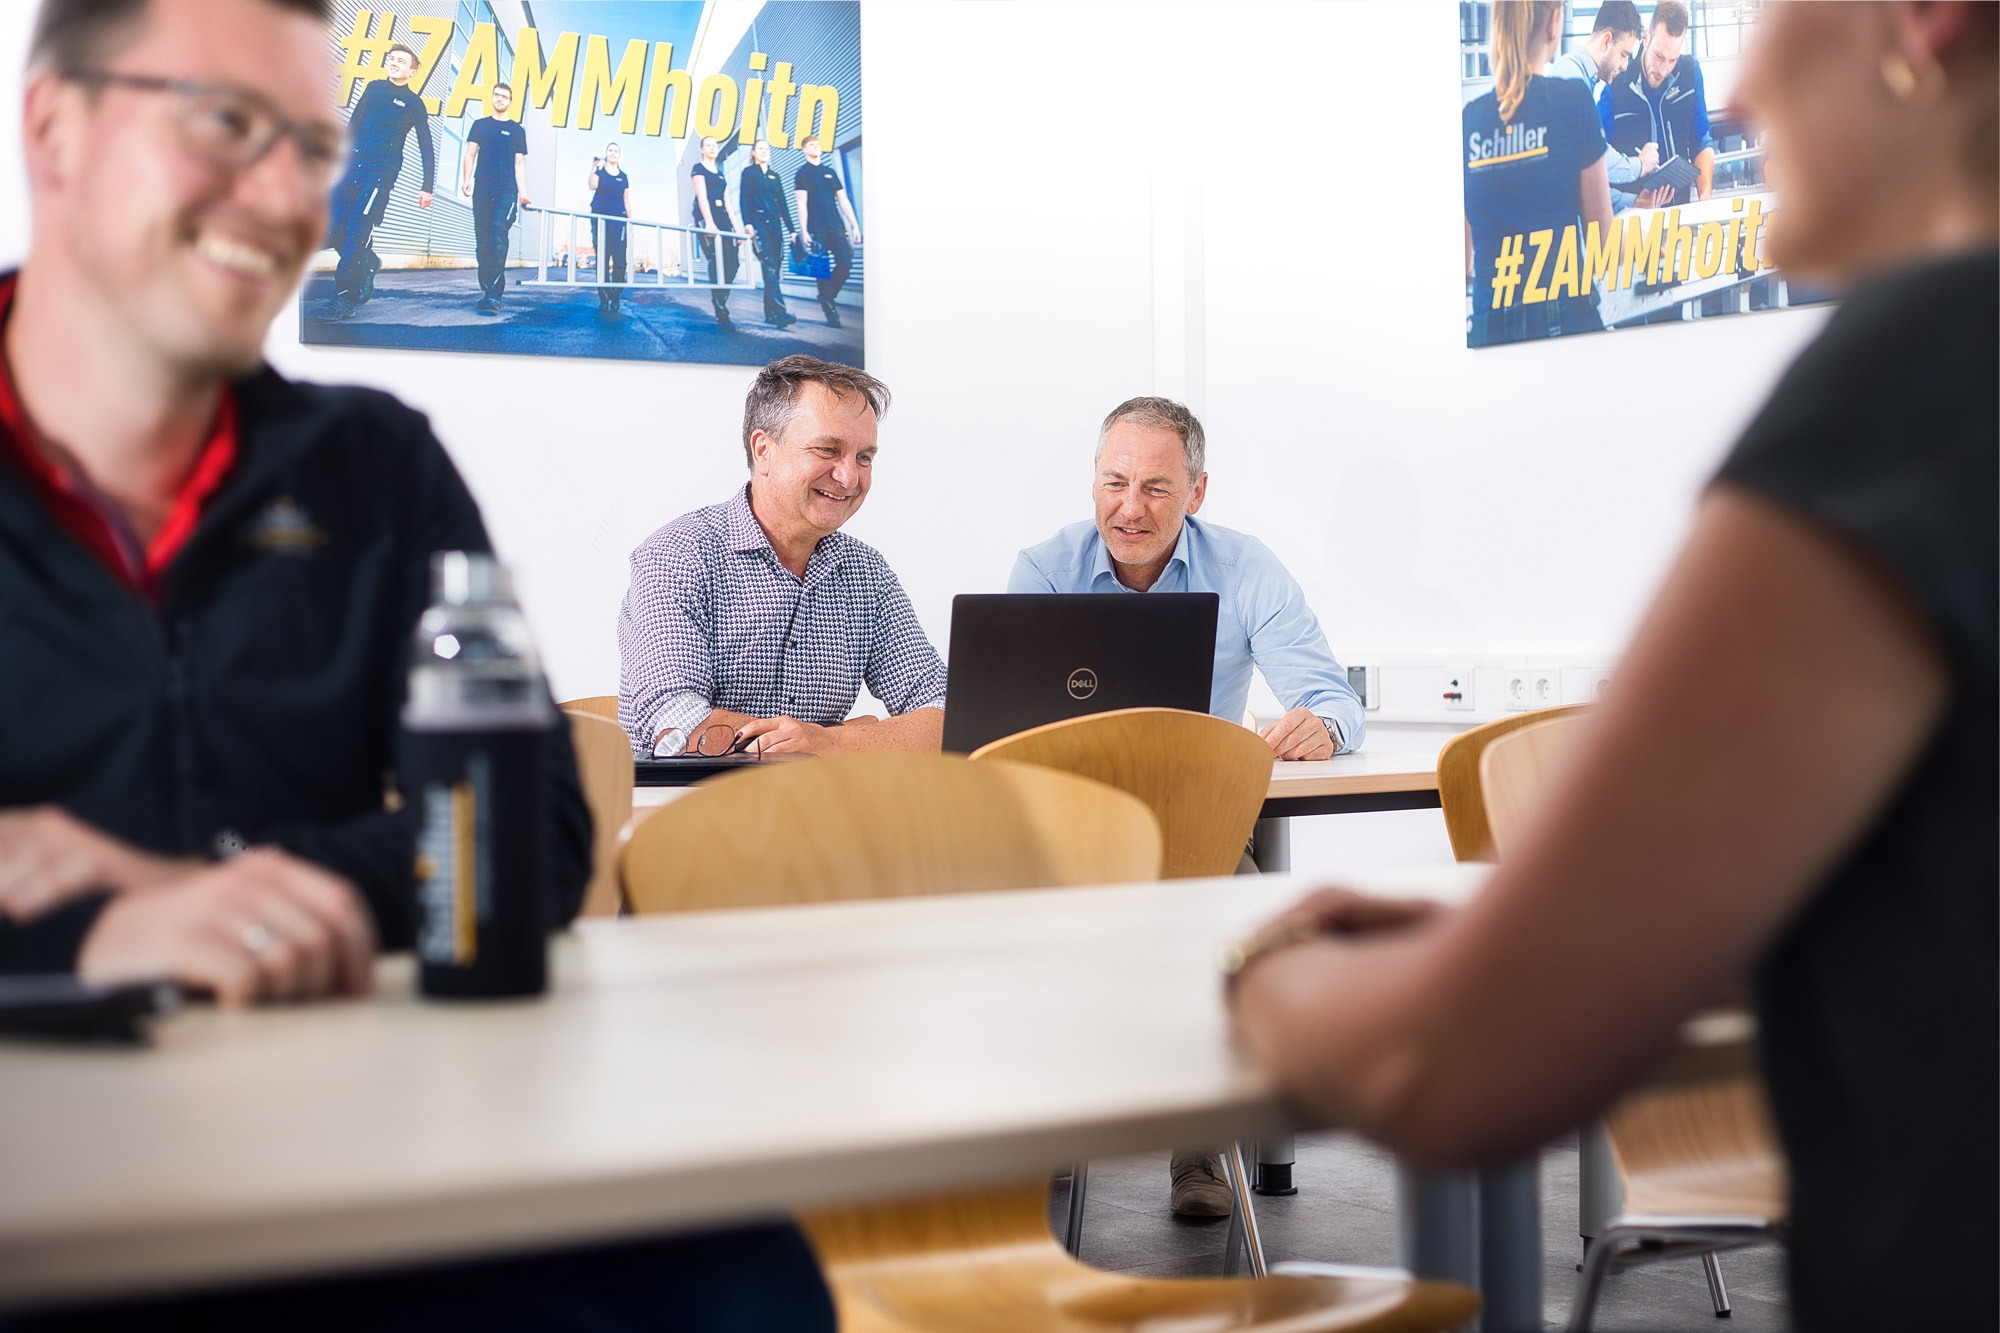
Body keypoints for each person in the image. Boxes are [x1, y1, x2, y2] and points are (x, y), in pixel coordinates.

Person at [0, 0, 835, 1327]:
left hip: (342, 1139)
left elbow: (535, 830)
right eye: (226, 123)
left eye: (320, 147)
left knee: (748, 1280)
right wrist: (86, 934)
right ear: (55, 122)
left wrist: (217, 893)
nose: (289, 197)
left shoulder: (375, 466)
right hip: (37, 1160)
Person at [1230, 3, 1996, 1328]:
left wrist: (1267, 969)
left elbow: (1450, 1065)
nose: (1739, 94)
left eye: (1770, 21)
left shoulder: (1926, 376)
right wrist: (1547, 934)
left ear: (1922, 23)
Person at [1007, 395, 1364, 1218]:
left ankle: (1201, 1150)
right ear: (1093, 483)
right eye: (1115, 482)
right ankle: (1042, 1125)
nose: (1130, 508)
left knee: (1241, 919)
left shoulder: (1244, 568)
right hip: (1071, 829)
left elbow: (1330, 697)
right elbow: (1010, 722)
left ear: (1198, 491)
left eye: (1157, 489)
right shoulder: (1045, 569)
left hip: (1197, 831)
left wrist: (1322, 723)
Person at [618, 356, 945, 758]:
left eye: (864, 457)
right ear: (763, 450)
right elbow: (680, 728)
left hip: (815, 812)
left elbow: (946, 715)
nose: (850, 477)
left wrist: (833, 740)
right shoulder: (676, 556)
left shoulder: (867, 574)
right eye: (828, 449)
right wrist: (846, 738)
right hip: (686, 810)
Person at [1462, 0, 1615, 346]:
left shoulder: (1469, 120)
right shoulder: (1574, 100)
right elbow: (1601, 243)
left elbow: (1464, 261)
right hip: (1563, 321)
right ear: (1553, 24)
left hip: (1490, 329)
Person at [321, 41, 433, 320]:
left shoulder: (414, 104)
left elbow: (425, 145)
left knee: (357, 230)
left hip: (379, 174)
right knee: (333, 227)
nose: (394, 63)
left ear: (413, 71)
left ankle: (345, 297)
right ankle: (368, 261)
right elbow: (354, 124)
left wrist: (427, 186)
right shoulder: (373, 88)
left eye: (401, 61)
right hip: (352, 167)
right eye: (392, 58)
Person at [1600, 0, 1716, 209]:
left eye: (1672, 60)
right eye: (1659, 56)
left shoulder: (1690, 73)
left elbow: (1701, 142)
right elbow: (1598, 160)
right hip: (1632, 219)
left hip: (1678, 217)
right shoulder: (1614, 85)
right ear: (1646, 38)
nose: (1663, 69)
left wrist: (1705, 198)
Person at [1544, 0, 1659, 202]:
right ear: (1606, 41)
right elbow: (1595, 155)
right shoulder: (1569, 74)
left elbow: (1585, 182)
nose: (1625, 66)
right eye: (1624, 54)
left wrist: (1633, 202)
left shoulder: (1585, 82)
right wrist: (1639, 165)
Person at [459, 79, 530, 316]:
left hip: (506, 189)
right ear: (492, 98)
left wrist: (523, 193)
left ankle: (495, 293)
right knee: (483, 240)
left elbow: (519, 165)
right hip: (483, 187)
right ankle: (487, 287)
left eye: (504, 96)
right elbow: (470, 154)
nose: (500, 99)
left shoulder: (517, 131)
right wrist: (467, 179)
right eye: (496, 95)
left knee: (499, 231)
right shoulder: (480, 125)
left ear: (510, 102)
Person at [791, 135, 860, 327]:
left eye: (818, 144)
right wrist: (804, 230)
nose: (816, 147)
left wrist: (855, 225)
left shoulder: (830, 172)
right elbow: (801, 203)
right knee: (822, 270)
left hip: (836, 225)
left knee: (845, 262)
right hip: (816, 227)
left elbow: (843, 200)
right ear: (805, 149)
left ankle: (827, 296)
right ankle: (830, 312)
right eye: (812, 145)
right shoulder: (802, 173)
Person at [739, 137, 798, 329]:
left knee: (773, 269)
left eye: (766, 148)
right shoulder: (748, 173)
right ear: (754, 153)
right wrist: (748, 223)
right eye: (760, 148)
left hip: (775, 226)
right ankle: (780, 313)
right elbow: (744, 200)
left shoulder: (775, 176)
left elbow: (783, 204)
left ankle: (769, 313)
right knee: (770, 265)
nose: (764, 151)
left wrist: (792, 230)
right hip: (759, 224)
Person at [689, 135, 740, 332]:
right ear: (702, 149)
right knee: (716, 260)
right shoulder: (698, 169)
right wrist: (709, 223)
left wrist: (736, 229)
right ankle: (721, 312)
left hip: (723, 218)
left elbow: (727, 202)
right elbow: (702, 196)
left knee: (732, 263)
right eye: (708, 145)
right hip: (706, 217)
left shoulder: (720, 173)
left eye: (714, 145)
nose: (712, 148)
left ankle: (721, 298)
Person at [586, 141, 628, 314]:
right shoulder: (600, 171)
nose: (613, 153)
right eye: (610, 150)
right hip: (600, 219)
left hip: (619, 220)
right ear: (606, 153)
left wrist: (630, 221)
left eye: (616, 151)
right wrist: (594, 166)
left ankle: (616, 295)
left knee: (619, 261)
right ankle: (604, 298)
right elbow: (592, 185)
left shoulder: (624, 176)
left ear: (619, 155)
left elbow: (627, 199)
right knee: (602, 258)